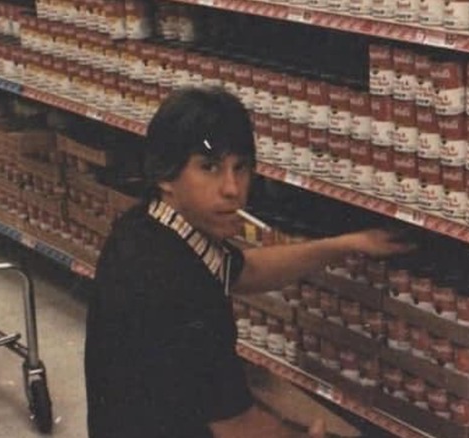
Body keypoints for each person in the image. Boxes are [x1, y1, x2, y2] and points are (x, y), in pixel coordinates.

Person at [84, 87, 413, 438]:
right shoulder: (181, 289)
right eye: (209, 168)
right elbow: (238, 428)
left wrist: (345, 244)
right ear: (165, 174)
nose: (233, 189)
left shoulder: (151, 227)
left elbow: (248, 270)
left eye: (240, 168)